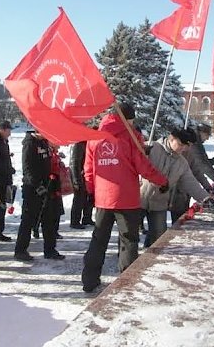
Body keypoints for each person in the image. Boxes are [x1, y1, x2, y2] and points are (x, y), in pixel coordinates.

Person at [81, 102, 168, 293]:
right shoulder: (131, 137)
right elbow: (144, 167)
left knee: (98, 240)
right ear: (128, 118)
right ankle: (126, 285)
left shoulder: (94, 137)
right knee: (128, 241)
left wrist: (92, 191)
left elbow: (88, 169)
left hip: (103, 199)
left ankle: (89, 280)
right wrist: (162, 181)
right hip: (126, 199)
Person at [141, 128, 213, 247]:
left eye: (185, 146)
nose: (183, 149)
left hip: (159, 203)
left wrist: (204, 197)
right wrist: (143, 150)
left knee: (159, 236)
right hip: (139, 198)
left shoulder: (181, 162)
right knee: (130, 234)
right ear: (171, 139)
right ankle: (126, 261)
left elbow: (190, 182)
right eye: (180, 145)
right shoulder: (152, 147)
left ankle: (150, 257)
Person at [14, 130, 65, 261]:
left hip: (47, 186)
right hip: (32, 189)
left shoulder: (44, 142)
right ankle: (20, 250)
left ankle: (50, 249)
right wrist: (37, 186)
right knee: (28, 221)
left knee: (49, 220)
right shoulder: (29, 144)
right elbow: (27, 168)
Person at [170, 122, 214, 224]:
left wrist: (208, 187)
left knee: (181, 214)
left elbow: (197, 167)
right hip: (176, 188)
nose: (207, 139)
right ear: (202, 132)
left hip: (185, 187)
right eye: (207, 135)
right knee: (177, 217)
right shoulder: (191, 142)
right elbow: (201, 163)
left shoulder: (195, 141)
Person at [69, 140, 95, 229]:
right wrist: (76, 180)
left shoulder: (88, 142)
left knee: (88, 197)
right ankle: (75, 221)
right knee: (79, 198)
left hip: (87, 173)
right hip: (79, 174)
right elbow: (74, 163)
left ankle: (87, 218)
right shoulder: (79, 143)